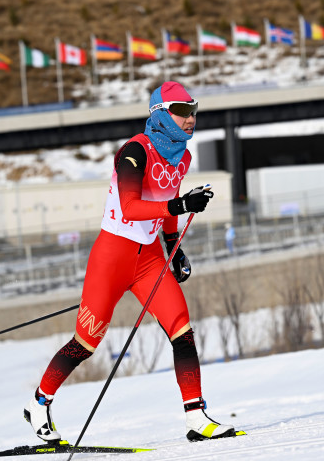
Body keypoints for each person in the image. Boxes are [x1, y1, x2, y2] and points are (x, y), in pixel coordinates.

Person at [23, 82, 237, 443]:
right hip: (113, 257)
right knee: (86, 343)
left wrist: (174, 247)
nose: (191, 119)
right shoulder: (134, 152)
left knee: (182, 330)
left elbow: (167, 202)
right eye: (182, 111)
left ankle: (196, 418)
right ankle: (40, 404)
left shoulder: (181, 156)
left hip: (149, 258)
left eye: (193, 110)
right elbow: (131, 208)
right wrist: (181, 205)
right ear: (160, 114)